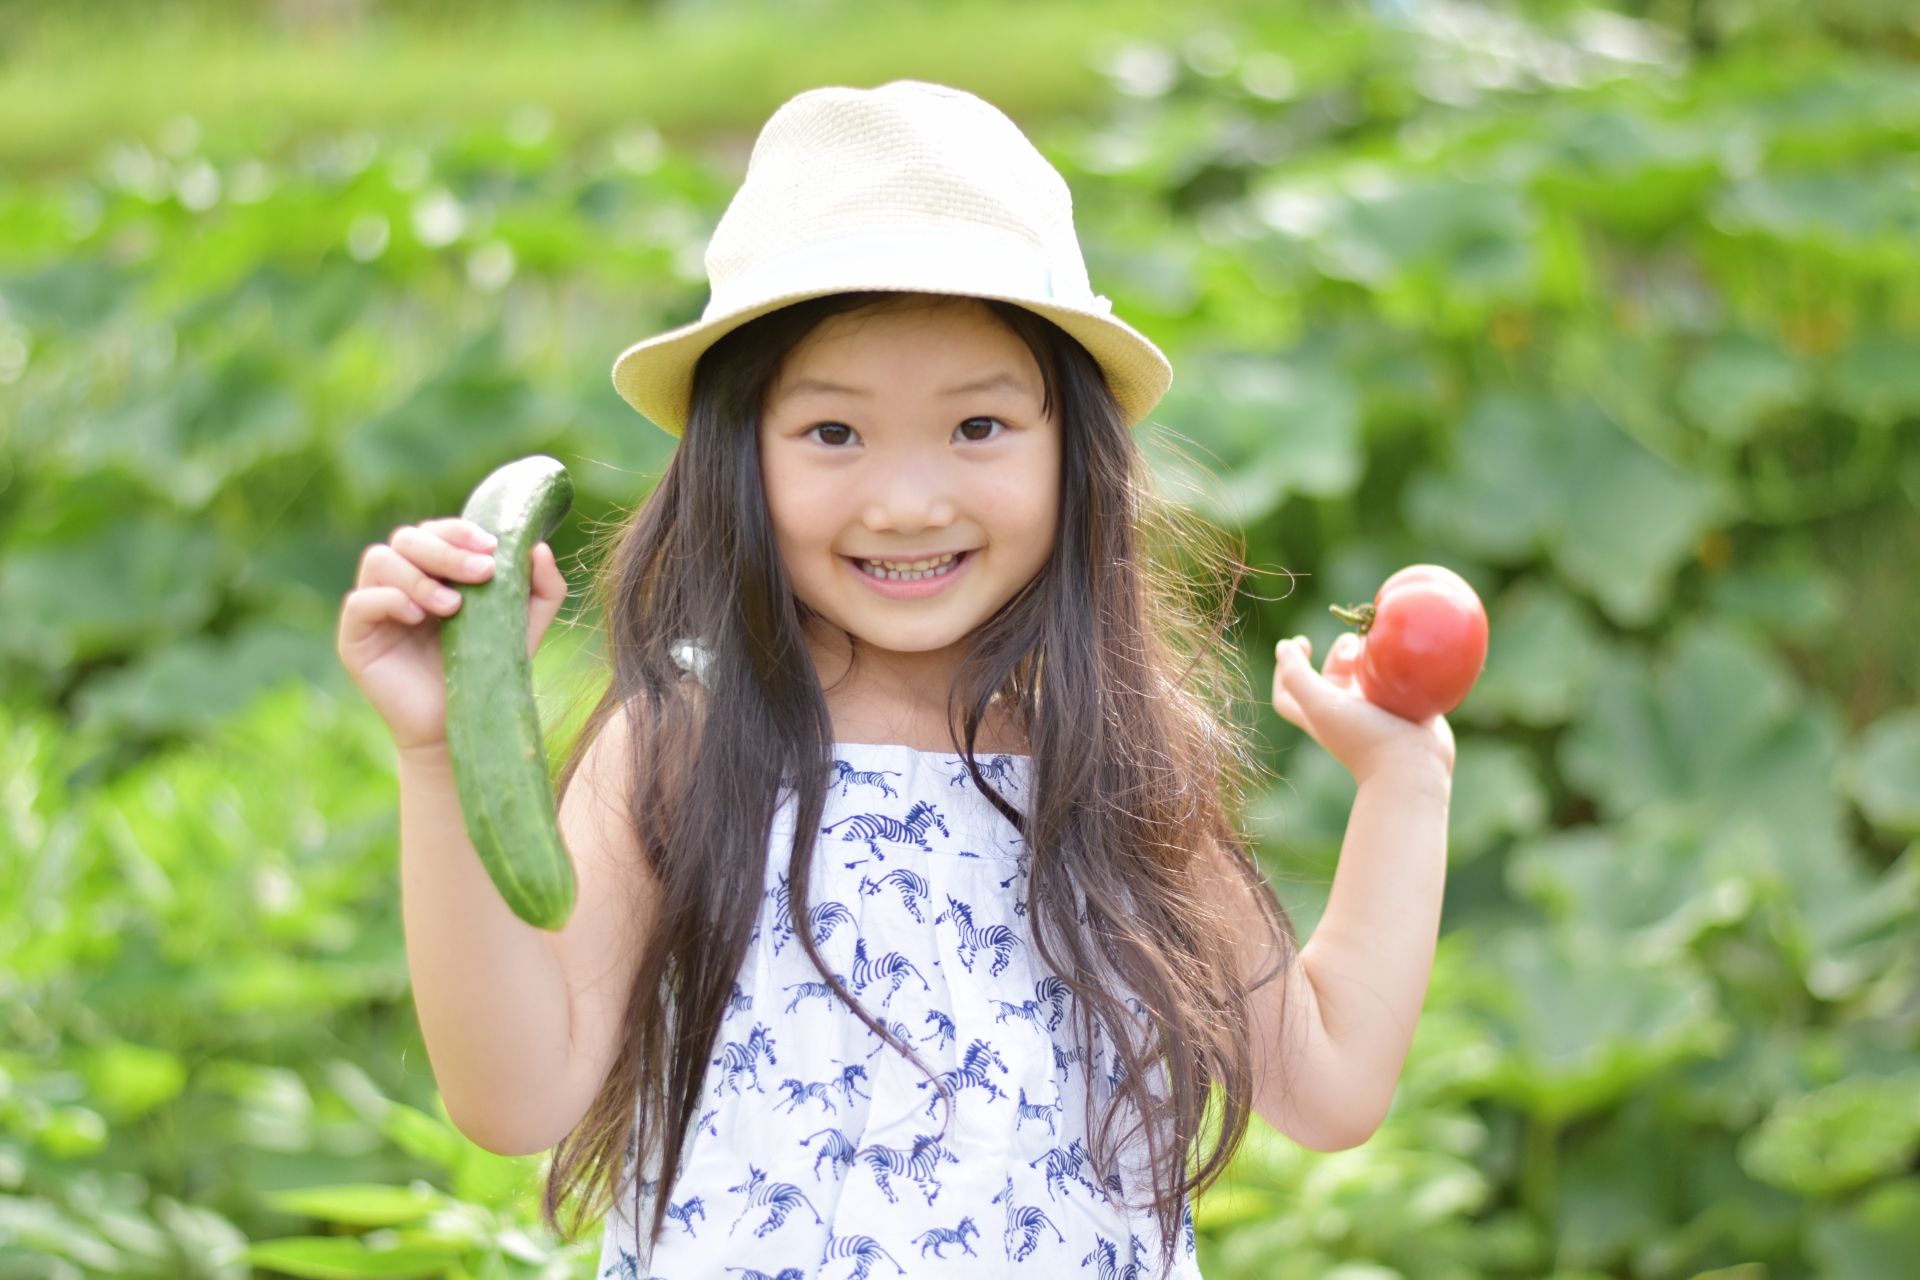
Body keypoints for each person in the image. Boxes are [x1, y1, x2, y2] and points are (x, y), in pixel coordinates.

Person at [336, 82, 1453, 1280]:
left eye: (977, 427)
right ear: (736, 456)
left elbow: (1329, 1083)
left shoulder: (1108, 761)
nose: (908, 500)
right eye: (834, 433)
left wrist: (1406, 780)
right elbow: (514, 1097)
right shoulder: (685, 746)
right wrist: (444, 757)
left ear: (1076, 452)